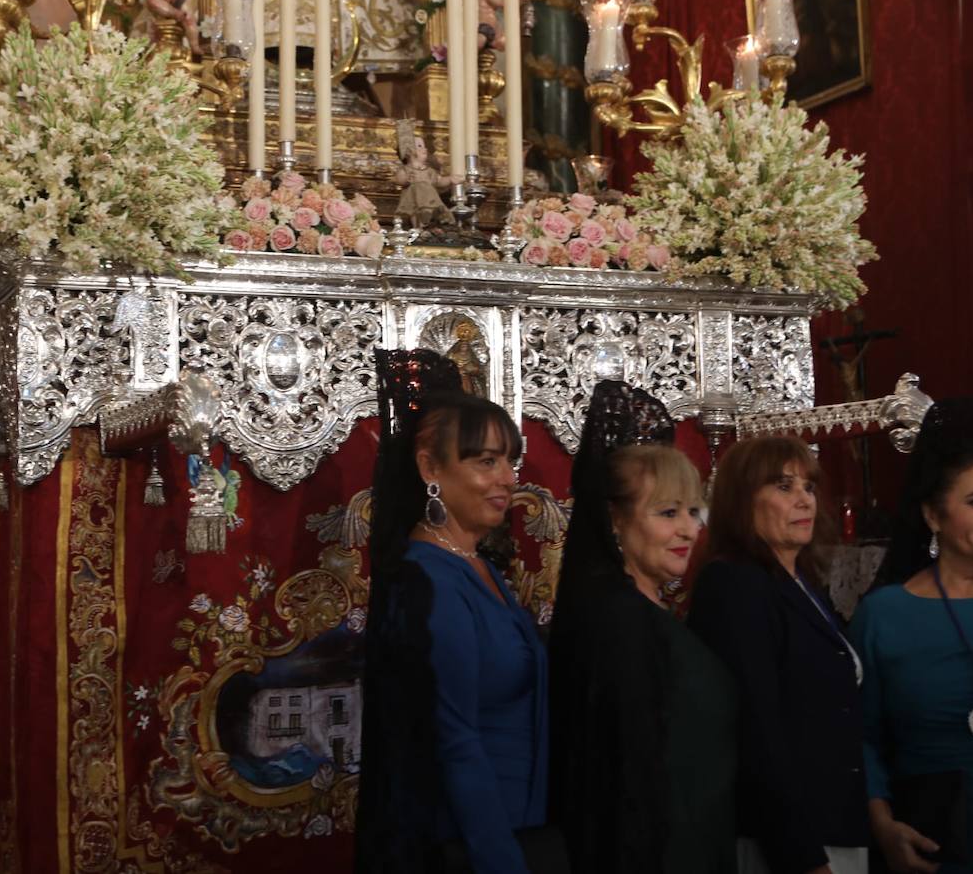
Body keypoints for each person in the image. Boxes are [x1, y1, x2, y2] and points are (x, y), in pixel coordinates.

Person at [355, 349, 553, 874]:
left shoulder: (477, 564)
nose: (507, 478)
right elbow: (454, 741)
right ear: (429, 468)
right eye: (485, 461)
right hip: (475, 849)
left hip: (521, 832)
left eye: (510, 460)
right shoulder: (430, 581)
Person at [550, 381, 737, 874]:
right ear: (615, 520)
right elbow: (628, 788)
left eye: (693, 512)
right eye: (667, 513)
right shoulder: (618, 624)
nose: (689, 530)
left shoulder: (639, 612)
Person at [851, 399, 973, 874]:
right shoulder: (885, 615)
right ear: (933, 515)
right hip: (932, 845)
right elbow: (859, 737)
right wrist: (881, 824)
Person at [688, 436, 869, 874]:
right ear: (740, 500)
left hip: (836, 821)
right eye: (784, 487)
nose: (804, 499)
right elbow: (756, 731)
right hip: (788, 839)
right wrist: (801, 855)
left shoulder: (803, 581)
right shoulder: (735, 585)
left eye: (808, 486)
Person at [393, 120, 456, 229]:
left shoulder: (429, 171)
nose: (425, 149)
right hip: (413, 198)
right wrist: (405, 179)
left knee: (428, 210)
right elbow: (398, 179)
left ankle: (428, 223)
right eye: (419, 146)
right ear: (408, 151)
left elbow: (439, 180)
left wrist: (450, 179)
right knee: (415, 211)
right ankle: (417, 228)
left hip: (430, 200)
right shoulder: (407, 169)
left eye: (424, 146)